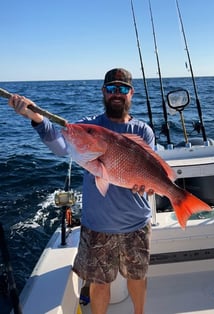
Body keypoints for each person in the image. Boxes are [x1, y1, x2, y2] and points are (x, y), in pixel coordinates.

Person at [8, 68, 155, 314]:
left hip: (136, 223)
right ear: (103, 92)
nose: (116, 94)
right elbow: (61, 145)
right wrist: (35, 118)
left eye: (122, 89)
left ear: (131, 93)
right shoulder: (89, 126)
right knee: (99, 284)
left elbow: (149, 168)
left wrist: (147, 183)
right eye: (111, 89)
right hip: (98, 224)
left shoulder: (143, 131)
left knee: (137, 277)